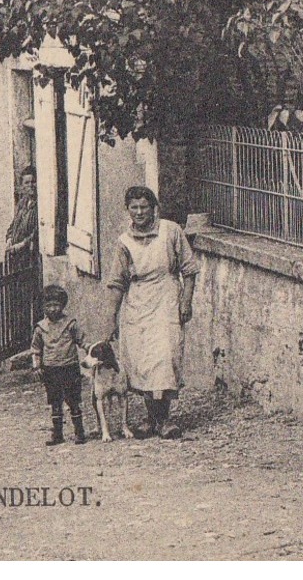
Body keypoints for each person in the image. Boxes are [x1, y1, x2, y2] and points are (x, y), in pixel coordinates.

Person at [101, 186, 200, 439]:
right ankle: (150, 418)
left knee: (165, 358)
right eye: (134, 207)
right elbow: (116, 283)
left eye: (144, 207)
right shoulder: (124, 242)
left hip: (167, 299)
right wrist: (111, 319)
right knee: (143, 362)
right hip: (137, 304)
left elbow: (189, 270)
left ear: (153, 208)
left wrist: (186, 301)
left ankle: (164, 419)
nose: (139, 212)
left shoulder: (171, 231)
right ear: (128, 211)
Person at [32, 284, 88, 445]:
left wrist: (92, 349)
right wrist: (36, 366)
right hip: (50, 369)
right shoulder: (40, 328)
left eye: (56, 305)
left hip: (69, 367)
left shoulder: (70, 324)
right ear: (43, 307)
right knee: (55, 402)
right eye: (48, 306)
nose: (53, 309)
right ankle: (57, 435)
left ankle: (80, 433)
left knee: (73, 401)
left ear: (63, 305)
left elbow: (82, 341)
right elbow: (36, 349)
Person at [5, 166, 39, 264]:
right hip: (16, 254)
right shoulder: (22, 203)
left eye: (33, 182)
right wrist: (9, 239)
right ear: (22, 186)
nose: (31, 185)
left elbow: (37, 232)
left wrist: (22, 244)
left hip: (30, 255)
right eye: (27, 183)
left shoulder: (39, 205)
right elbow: (13, 225)